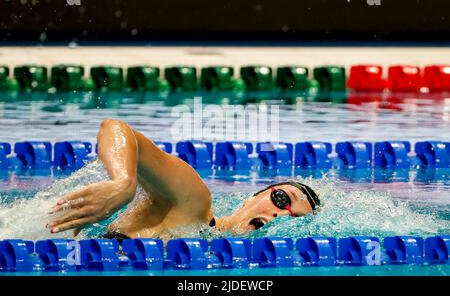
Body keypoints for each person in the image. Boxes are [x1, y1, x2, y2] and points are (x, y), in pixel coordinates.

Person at [48, 119, 320, 240]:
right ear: (255, 195)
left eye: (293, 218)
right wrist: (123, 184)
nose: (279, 215)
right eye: (282, 199)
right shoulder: (193, 203)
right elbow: (116, 128)